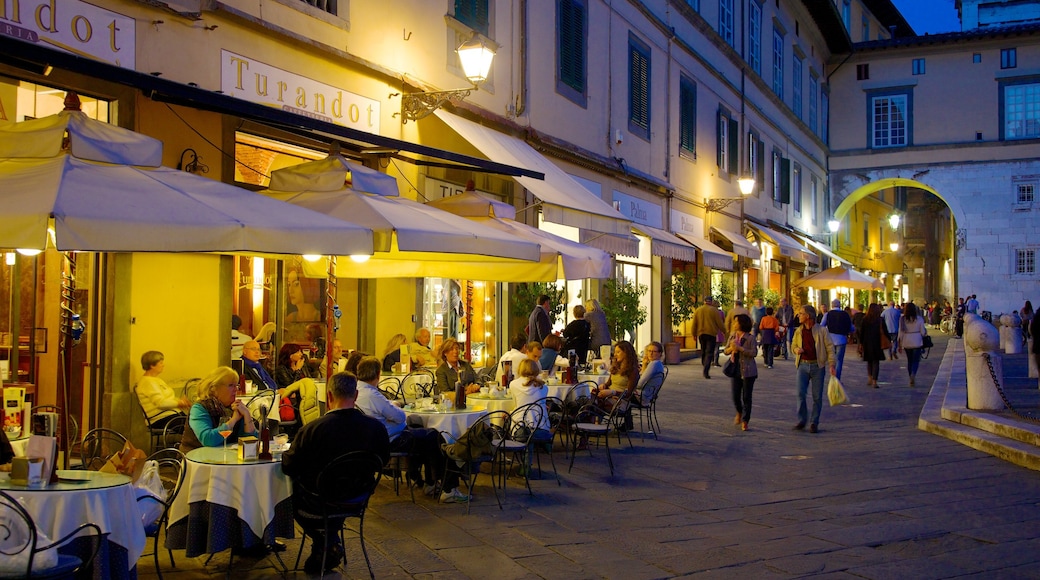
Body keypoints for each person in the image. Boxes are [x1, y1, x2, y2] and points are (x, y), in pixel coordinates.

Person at [281, 371, 389, 574]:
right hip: (358, 497)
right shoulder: (375, 428)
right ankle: (329, 541)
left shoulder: (313, 429)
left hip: (316, 501)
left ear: (329, 397)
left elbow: (289, 466)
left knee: (289, 491)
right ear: (355, 396)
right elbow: (383, 461)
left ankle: (325, 541)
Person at [353, 357, 464, 502]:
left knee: (423, 431)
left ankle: (430, 482)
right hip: (393, 440)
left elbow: (383, 409)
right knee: (435, 436)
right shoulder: (372, 395)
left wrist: (390, 406)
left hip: (375, 439)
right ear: (377, 374)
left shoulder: (358, 390)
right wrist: (395, 407)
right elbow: (399, 417)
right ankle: (449, 488)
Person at [179, 366, 257, 453]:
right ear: (214, 388)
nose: (236, 390)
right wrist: (233, 420)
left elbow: (252, 442)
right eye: (231, 385)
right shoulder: (199, 408)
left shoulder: (235, 407)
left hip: (226, 459)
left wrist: (247, 415)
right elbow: (208, 439)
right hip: (197, 460)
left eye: (236, 385)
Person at [791, 305, 836, 434]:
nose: (798, 316)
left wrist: (832, 364)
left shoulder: (821, 331)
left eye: (801, 313)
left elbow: (830, 348)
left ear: (808, 316)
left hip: (817, 366)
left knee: (817, 396)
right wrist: (796, 350)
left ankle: (814, 422)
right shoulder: (799, 331)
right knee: (800, 393)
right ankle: (802, 420)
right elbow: (793, 344)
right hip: (802, 365)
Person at [135, 351, 190, 430]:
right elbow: (161, 403)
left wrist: (180, 401)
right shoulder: (148, 382)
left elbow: (167, 398)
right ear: (152, 365)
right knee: (197, 428)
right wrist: (179, 403)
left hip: (171, 415)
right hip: (161, 419)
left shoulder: (157, 380)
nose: (163, 365)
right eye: (160, 363)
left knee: (201, 424)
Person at [724, 314, 758, 431]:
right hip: (735, 368)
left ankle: (745, 420)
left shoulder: (750, 338)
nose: (734, 324)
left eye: (736, 322)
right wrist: (731, 349)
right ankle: (739, 411)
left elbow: (754, 353)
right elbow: (725, 351)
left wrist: (740, 349)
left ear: (742, 323)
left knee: (747, 396)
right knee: (735, 395)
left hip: (748, 370)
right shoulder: (732, 336)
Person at [591, 341, 639, 411]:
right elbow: (608, 384)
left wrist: (613, 392)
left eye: (618, 352)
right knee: (588, 398)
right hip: (609, 396)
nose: (615, 354)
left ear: (626, 353)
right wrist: (604, 385)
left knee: (594, 404)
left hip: (620, 400)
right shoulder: (615, 367)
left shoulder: (633, 371)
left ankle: (586, 418)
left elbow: (629, 393)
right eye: (615, 352)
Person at [509, 358, 551, 436]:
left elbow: (516, 405)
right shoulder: (544, 387)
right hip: (542, 426)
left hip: (521, 428)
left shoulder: (513, 384)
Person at [690, 297, 725, 379]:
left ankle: (704, 362)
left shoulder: (698, 310)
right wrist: (724, 331)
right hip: (711, 333)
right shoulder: (714, 311)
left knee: (703, 349)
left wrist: (693, 334)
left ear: (704, 301)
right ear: (711, 302)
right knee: (709, 352)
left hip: (701, 333)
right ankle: (706, 369)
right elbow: (720, 323)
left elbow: (694, 323)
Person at [897, 302, 929, 387]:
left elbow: (900, 332)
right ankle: (913, 374)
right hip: (917, 340)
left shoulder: (902, 319)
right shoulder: (919, 319)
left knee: (909, 360)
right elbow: (922, 332)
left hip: (907, 341)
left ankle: (910, 375)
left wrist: (899, 344)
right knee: (915, 360)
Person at [822, 299, 852, 380]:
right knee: (839, 360)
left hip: (830, 339)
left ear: (832, 305)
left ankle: (832, 375)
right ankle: (837, 378)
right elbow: (851, 327)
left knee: (831, 359)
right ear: (840, 305)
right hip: (841, 340)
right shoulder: (845, 315)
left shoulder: (827, 314)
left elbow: (822, 326)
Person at [858, 303, 886, 388]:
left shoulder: (865, 319)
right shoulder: (880, 320)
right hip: (877, 343)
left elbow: (861, 332)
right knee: (876, 362)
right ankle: (875, 381)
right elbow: (885, 331)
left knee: (869, 361)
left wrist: (861, 343)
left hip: (867, 342)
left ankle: (870, 377)